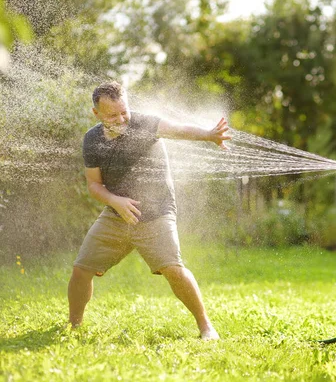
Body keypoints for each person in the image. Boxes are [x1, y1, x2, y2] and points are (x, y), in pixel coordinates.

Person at [68, 81, 230, 340]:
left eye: (124, 111)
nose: (121, 119)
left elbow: (178, 130)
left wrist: (209, 135)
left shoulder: (145, 124)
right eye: (112, 115)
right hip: (117, 214)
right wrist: (116, 202)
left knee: (174, 270)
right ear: (96, 114)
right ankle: (73, 328)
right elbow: (93, 185)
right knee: (81, 270)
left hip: (156, 213)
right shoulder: (92, 139)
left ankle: (206, 326)